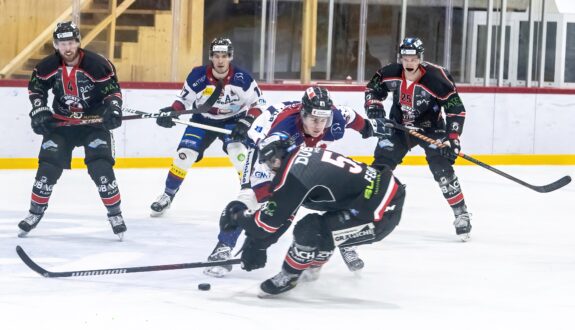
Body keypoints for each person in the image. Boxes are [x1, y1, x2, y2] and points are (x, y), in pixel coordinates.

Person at [203, 86, 391, 277]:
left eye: (323, 120)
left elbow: (350, 115)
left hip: (301, 157)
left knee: (318, 196)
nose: (319, 126)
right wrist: (256, 239)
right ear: (303, 114)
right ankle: (223, 247)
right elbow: (271, 181)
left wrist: (370, 127)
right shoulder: (281, 135)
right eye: (314, 120)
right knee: (250, 197)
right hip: (266, 151)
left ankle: (346, 241)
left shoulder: (335, 118)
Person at [218, 133, 406, 296]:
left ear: (281, 155)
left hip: (379, 215)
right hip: (380, 198)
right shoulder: (303, 156)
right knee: (319, 227)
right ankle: (311, 269)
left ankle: (290, 276)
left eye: (272, 161)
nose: (271, 167)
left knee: (309, 229)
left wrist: (236, 215)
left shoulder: (294, 176)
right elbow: (283, 215)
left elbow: (266, 224)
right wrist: (257, 245)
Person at [17, 21, 126, 239]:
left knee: (101, 167)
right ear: (56, 45)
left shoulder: (97, 64)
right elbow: (37, 89)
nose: (67, 48)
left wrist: (113, 109)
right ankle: (34, 213)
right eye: (62, 43)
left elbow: (112, 92)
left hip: (93, 123)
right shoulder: (47, 66)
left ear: (78, 42)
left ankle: (115, 214)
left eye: (70, 42)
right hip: (61, 123)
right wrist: (40, 110)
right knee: (47, 167)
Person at [364, 37, 472, 241]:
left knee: (442, 168)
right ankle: (364, 211)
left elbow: (455, 109)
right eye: (405, 58)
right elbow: (373, 90)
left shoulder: (438, 78)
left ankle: (461, 213)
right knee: (379, 168)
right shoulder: (389, 73)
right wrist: (374, 108)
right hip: (398, 126)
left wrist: (452, 139)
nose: (409, 63)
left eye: (413, 58)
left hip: (430, 128)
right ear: (401, 58)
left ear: (420, 58)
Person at [150, 37, 265, 216]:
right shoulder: (198, 75)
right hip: (202, 120)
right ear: (210, 56)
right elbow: (184, 100)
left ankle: (252, 197)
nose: (220, 60)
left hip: (233, 121)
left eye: (224, 56)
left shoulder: (243, 79)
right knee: (184, 155)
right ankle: (167, 196)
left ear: (230, 56)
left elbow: (259, 103)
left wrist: (246, 121)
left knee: (240, 155)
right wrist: (172, 111)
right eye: (216, 55)